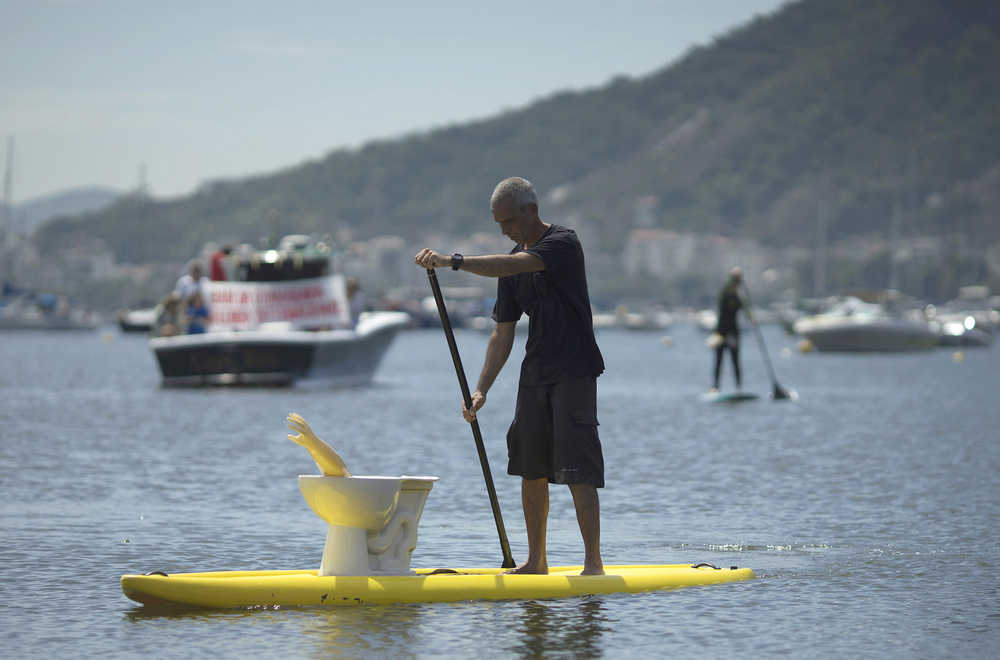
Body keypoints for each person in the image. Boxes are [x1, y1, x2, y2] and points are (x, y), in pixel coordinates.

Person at [414, 177, 606, 576]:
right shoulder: (509, 264)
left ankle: (593, 565)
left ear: (531, 211)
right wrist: (481, 389)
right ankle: (536, 562)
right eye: (498, 223)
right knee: (529, 465)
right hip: (535, 371)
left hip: (574, 369)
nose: (503, 231)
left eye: (508, 222)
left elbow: (518, 263)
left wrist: (454, 262)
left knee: (577, 466)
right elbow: (503, 333)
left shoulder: (563, 244)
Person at [711, 267, 744, 392]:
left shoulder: (738, 296)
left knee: (735, 360)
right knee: (719, 360)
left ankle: (738, 387)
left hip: (733, 332)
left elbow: (743, 309)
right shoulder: (725, 293)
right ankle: (715, 386)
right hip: (721, 332)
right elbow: (726, 307)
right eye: (736, 281)